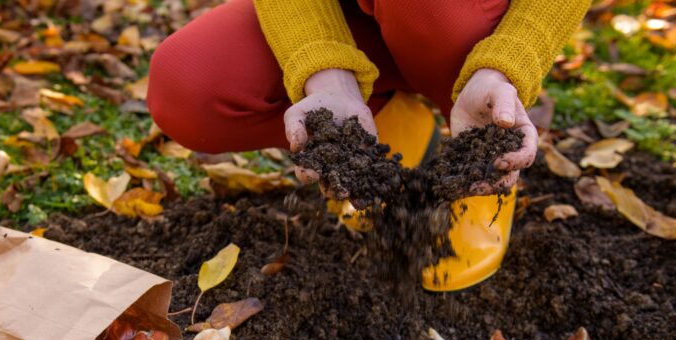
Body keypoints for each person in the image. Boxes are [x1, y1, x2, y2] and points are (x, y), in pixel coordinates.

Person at [147, 0, 590, 194]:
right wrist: (326, 72)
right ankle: (394, 129)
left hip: (461, 21)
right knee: (188, 85)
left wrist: (505, 63)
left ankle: (476, 155)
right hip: (347, 15)